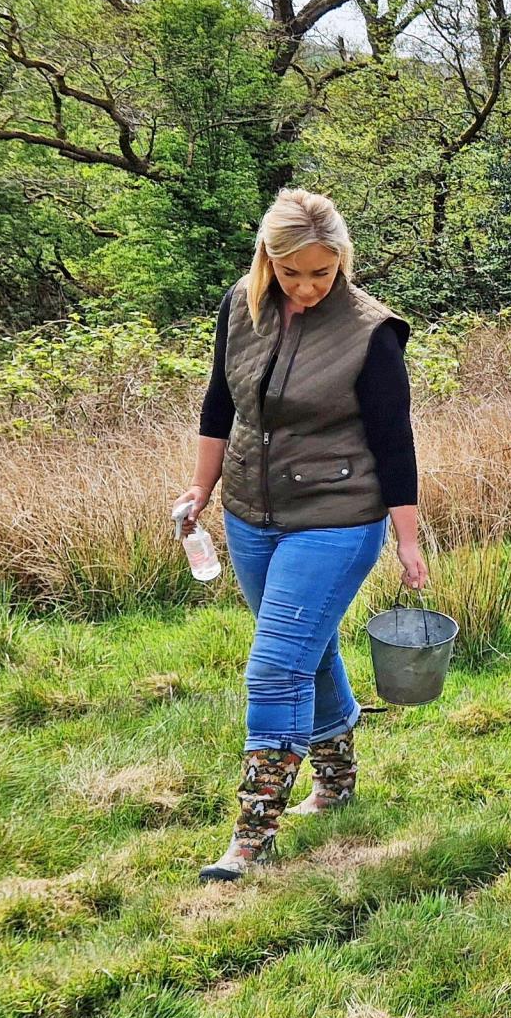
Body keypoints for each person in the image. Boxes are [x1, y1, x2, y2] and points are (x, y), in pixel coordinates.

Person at [174, 189, 428, 882]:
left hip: (339, 517)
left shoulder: (370, 331)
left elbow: (394, 441)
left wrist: (407, 541)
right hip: (252, 515)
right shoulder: (241, 305)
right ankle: (338, 781)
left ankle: (253, 833)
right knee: (305, 652)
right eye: (294, 273)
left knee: (275, 665)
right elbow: (219, 402)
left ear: (342, 259)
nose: (309, 286)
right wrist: (203, 488)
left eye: (323, 271)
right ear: (269, 259)